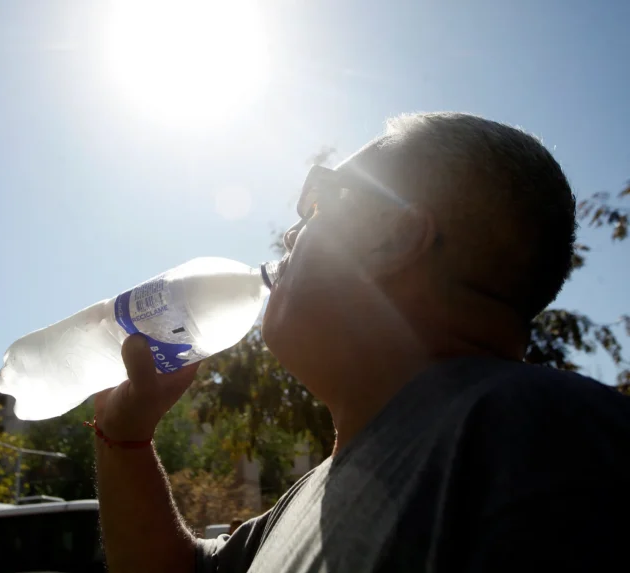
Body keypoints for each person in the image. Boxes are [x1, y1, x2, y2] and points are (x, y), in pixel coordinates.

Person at [92, 112, 630, 573]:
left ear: (394, 237)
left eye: (322, 201)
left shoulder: (546, 438)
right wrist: (124, 438)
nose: (291, 234)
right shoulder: (315, 494)